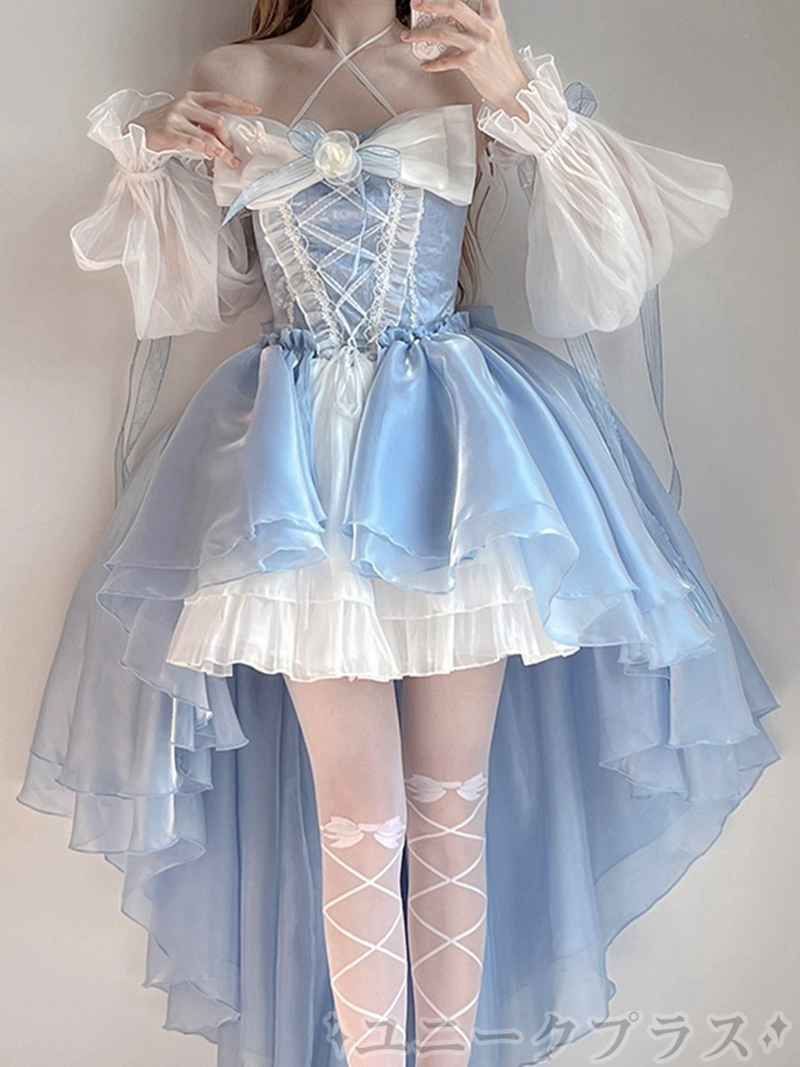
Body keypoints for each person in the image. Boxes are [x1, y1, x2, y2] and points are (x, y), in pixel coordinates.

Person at [17, 1, 781, 1066]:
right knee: (357, 816)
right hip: (297, 467)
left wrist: (518, 94)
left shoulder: (463, 61)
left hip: (460, 457)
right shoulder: (234, 72)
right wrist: (155, 165)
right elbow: (208, 292)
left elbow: (611, 260)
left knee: (450, 806)